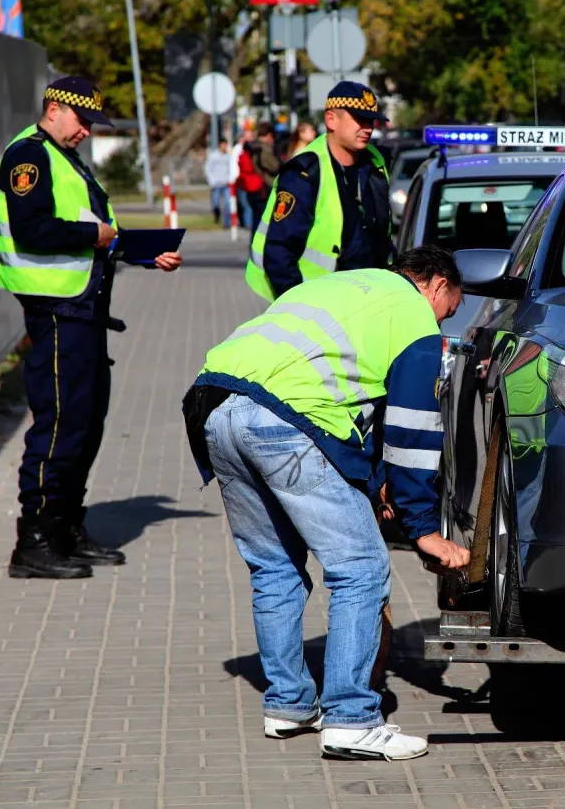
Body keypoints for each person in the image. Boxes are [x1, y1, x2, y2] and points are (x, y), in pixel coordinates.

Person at [181, 245, 471, 761]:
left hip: (214, 407)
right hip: (283, 422)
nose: (445, 319)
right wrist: (421, 526)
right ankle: (352, 719)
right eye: (449, 306)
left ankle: (289, 705)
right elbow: (410, 430)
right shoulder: (413, 316)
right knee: (360, 568)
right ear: (434, 284)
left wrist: (375, 482)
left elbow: (358, 408)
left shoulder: (339, 287)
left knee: (274, 568)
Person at [0, 75, 182, 580]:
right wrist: (94, 235)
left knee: (85, 424)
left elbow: (97, 234)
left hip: (83, 310)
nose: (86, 133)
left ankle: (66, 528)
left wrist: (142, 252)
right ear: (53, 108)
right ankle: (34, 541)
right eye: (81, 121)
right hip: (56, 311)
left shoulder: (67, 159)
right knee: (58, 427)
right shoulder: (28, 157)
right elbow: (34, 229)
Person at [245, 81, 393, 302]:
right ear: (331, 119)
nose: (368, 128)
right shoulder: (305, 172)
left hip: (366, 298)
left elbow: (381, 237)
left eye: (371, 120)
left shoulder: (375, 162)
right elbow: (279, 252)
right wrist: (300, 307)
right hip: (317, 304)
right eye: (359, 119)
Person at [205, 140, 233, 225]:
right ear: (220, 145)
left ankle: (227, 223)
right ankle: (217, 215)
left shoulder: (228, 156)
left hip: (225, 184)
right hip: (216, 184)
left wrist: (229, 179)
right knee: (216, 203)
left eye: (226, 145)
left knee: (228, 203)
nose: (225, 147)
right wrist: (212, 181)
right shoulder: (213, 156)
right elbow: (208, 169)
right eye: (223, 145)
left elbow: (231, 169)